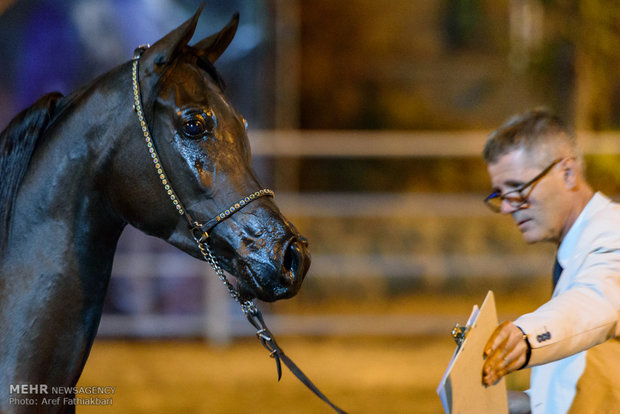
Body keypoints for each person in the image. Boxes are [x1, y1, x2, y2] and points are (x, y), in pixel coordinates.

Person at [479, 109, 620, 414]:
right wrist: (523, 403)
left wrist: (526, 337)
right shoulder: (577, 247)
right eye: (500, 195)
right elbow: (587, 373)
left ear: (567, 173)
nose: (506, 208)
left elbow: (596, 302)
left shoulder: (613, 234)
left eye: (517, 189)